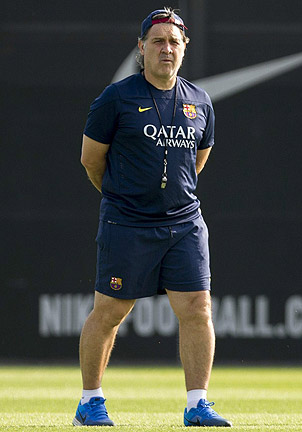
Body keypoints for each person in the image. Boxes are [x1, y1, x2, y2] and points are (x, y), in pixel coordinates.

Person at [75, 7, 231, 427]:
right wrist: (124, 198)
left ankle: (197, 404)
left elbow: (196, 163)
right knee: (110, 311)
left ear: (184, 49)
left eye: (174, 42)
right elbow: (91, 160)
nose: (166, 48)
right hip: (127, 222)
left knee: (198, 309)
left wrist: (169, 196)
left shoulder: (199, 101)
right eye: (158, 41)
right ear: (141, 48)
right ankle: (90, 401)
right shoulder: (116, 98)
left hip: (184, 222)